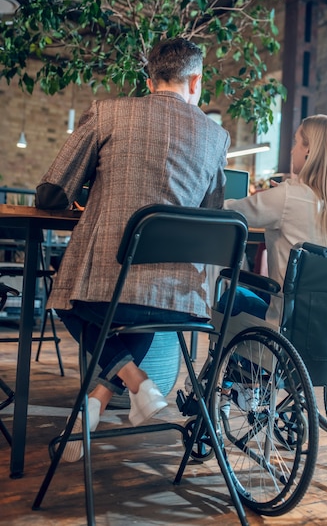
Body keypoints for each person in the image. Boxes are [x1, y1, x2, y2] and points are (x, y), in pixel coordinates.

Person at [35, 37, 230, 461]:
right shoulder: (217, 137)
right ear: (195, 80)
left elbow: (52, 192)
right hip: (180, 297)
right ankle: (104, 400)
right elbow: (211, 213)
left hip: (106, 282)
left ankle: (134, 384)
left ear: (149, 79)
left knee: (66, 295)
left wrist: (91, 194)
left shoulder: (109, 112)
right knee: (142, 299)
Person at [223, 114, 327, 327]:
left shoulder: (287, 197)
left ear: (309, 150)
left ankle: (241, 361)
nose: (292, 150)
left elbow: (226, 211)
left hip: (287, 327)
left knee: (232, 296)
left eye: (296, 142)